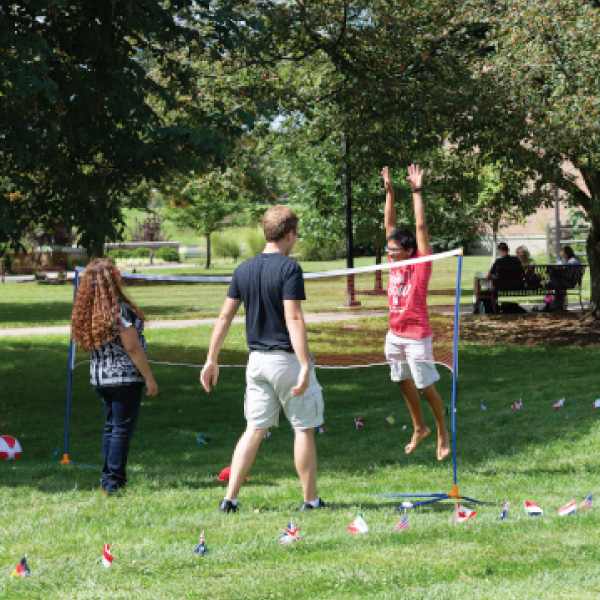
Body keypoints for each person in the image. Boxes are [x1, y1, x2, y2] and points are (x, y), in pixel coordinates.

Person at [200, 205, 325, 513]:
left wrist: (211, 358)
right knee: (303, 429)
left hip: (256, 363)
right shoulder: (289, 269)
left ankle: (229, 499)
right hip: (285, 361)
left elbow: (224, 315)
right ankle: (310, 501)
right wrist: (306, 363)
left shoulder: (244, 268)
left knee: (254, 429)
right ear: (289, 234)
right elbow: (293, 317)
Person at [71, 258, 158, 496]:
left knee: (111, 428)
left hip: (100, 378)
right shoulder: (118, 310)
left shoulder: (88, 312)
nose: (121, 275)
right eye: (117, 272)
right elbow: (132, 347)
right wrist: (149, 378)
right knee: (120, 429)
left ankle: (108, 479)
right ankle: (113, 482)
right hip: (124, 377)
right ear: (110, 279)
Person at [381, 164, 450, 461]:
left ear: (409, 251)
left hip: (416, 334)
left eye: (395, 249)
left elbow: (420, 227)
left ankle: (442, 431)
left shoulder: (421, 264)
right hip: (394, 333)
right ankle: (419, 426)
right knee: (400, 379)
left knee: (425, 386)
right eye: (389, 249)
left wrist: (416, 191)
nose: (390, 252)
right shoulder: (395, 261)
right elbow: (389, 224)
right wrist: (391, 193)